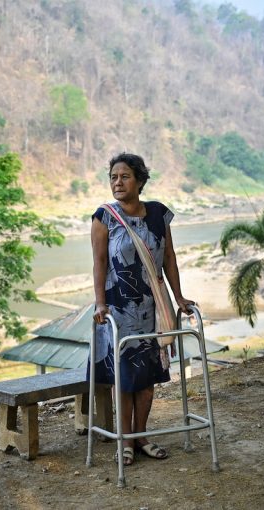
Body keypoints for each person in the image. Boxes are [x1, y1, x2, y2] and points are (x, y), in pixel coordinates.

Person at [90, 152, 194, 466]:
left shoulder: (160, 214)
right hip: (118, 310)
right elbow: (98, 263)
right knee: (124, 378)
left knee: (147, 377)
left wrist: (179, 298)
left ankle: (141, 436)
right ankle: (125, 441)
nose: (117, 183)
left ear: (140, 180)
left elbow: (170, 259)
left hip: (154, 308)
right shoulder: (104, 216)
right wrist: (99, 303)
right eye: (113, 178)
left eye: (124, 177)